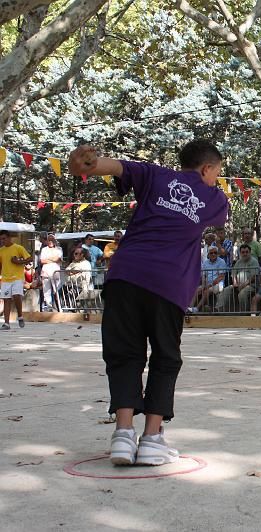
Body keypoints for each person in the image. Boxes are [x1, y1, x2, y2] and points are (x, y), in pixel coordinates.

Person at [67, 139, 229, 467]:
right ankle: (152, 439)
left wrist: (86, 163)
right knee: (165, 357)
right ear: (207, 168)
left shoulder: (154, 174)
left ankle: (123, 436)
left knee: (124, 353)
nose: (216, 179)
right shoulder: (213, 197)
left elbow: (106, 166)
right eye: (217, 173)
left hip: (126, 275)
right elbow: (218, 219)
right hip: (169, 283)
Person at [0, 230, 33, 330]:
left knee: (16, 295)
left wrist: (19, 261)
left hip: (17, 277)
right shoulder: (1, 251)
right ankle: (6, 323)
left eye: (4, 238)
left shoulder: (18, 248)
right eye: (0, 239)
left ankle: (20, 316)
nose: (2, 241)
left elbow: (30, 258)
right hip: (5, 278)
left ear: (9, 238)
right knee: (6, 300)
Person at [216, 243, 260, 312]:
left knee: (242, 294)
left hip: (251, 285)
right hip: (238, 285)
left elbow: (253, 277)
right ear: (240, 253)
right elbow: (233, 274)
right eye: (243, 252)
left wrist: (243, 285)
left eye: (246, 252)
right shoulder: (238, 262)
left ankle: (244, 313)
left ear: (250, 252)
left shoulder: (254, 261)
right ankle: (218, 309)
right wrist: (235, 283)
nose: (245, 254)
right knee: (225, 290)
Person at [191, 247, 227, 312]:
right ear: (208, 254)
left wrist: (209, 285)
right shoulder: (205, 262)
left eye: (215, 253)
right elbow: (204, 276)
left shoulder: (222, 261)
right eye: (211, 253)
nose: (213, 254)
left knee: (207, 291)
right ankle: (190, 308)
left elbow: (221, 277)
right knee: (196, 290)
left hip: (219, 284)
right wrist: (204, 285)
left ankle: (197, 308)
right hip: (208, 284)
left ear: (218, 254)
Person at [39, 232, 63, 311]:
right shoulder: (44, 249)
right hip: (45, 272)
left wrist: (48, 259)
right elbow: (42, 260)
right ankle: (49, 308)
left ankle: (59, 307)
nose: (50, 241)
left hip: (55, 273)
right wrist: (53, 259)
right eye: (49, 240)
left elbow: (58, 259)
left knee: (56, 290)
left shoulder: (59, 249)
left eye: (52, 240)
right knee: (46, 291)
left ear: (55, 240)